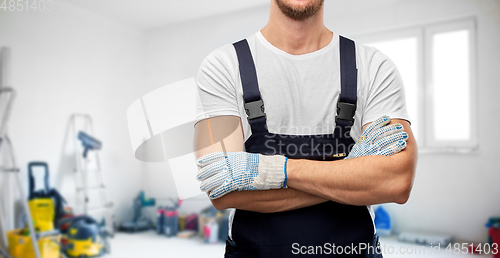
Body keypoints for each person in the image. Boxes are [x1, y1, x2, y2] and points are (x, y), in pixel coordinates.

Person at [193, 0, 417, 257]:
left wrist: (272, 171)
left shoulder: (374, 67)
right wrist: (352, 170)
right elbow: (222, 190)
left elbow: (397, 182)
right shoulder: (223, 66)